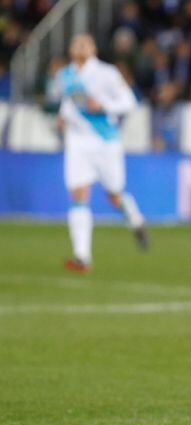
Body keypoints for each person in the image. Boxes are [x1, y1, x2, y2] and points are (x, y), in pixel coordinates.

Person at [55, 33, 148, 273]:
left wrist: (104, 106)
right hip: (78, 142)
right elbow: (70, 102)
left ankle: (136, 220)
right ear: (70, 48)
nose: (81, 46)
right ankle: (82, 257)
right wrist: (63, 117)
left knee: (114, 194)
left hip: (106, 141)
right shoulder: (64, 75)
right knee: (78, 193)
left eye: (86, 42)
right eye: (76, 43)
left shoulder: (107, 73)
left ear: (94, 48)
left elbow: (129, 102)